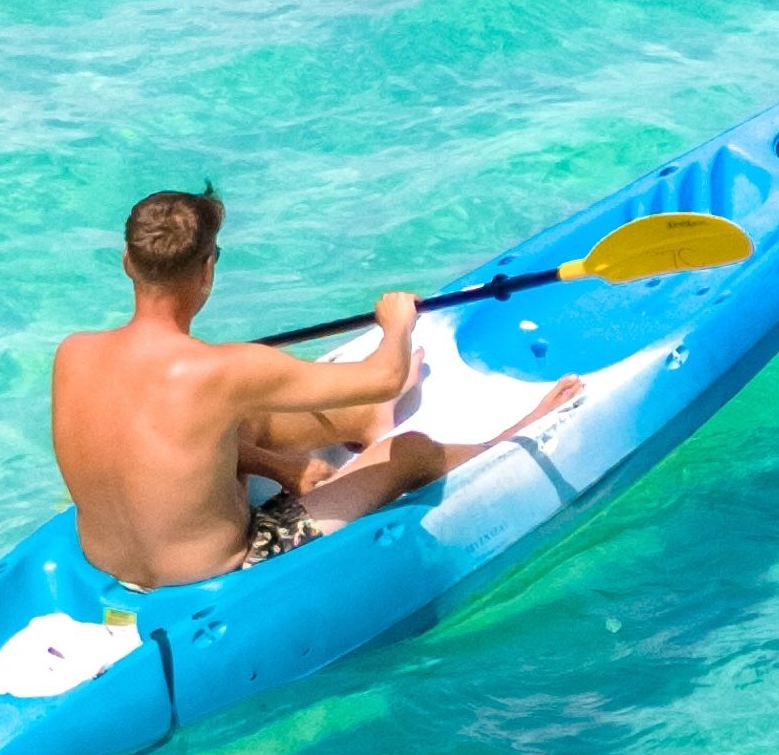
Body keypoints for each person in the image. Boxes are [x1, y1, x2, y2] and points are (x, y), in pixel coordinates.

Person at [46, 183, 465, 589]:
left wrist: (280, 467)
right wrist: (397, 323)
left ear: (127, 261)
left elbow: (159, 447)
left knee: (232, 418)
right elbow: (384, 377)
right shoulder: (226, 370)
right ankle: (511, 442)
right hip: (221, 569)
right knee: (408, 451)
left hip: (106, 565)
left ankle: (365, 418)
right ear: (207, 268)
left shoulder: (73, 353)